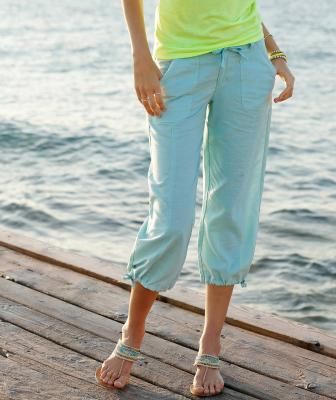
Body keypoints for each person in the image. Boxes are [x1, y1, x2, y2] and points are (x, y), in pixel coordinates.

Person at [95, 0, 295, 397]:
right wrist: (140, 57)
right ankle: (132, 333)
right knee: (170, 215)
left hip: (246, 64)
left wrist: (274, 52)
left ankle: (211, 341)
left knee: (231, 208)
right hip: (180, 67)